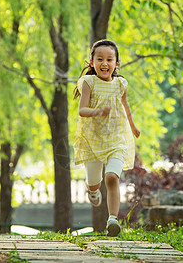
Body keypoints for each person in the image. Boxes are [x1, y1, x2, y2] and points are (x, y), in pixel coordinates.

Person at [73, 39, 140, 237]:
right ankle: (91, 189)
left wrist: (133, 126)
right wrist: (98, 111)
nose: (105, 63)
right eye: (100, 59)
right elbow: (82, 110)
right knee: (95, 183)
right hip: (92, 138)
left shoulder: (121, 84)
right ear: (92, 62)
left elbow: (125, 106)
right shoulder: (88, 82)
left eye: (109, 59)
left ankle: (112, 219)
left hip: (117, 137)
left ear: (116, 63)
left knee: (111, 177)